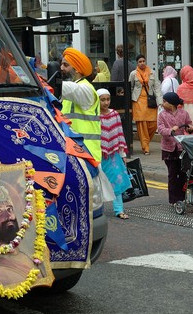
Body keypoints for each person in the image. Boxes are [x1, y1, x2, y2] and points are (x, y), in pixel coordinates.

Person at [60, 47, 101, 161]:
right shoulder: (72, 91)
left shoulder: (85, 89)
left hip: (87, 154)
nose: (61, 68)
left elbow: (62, 87)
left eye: (65, 65)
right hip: (75, 152)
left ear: (77, 69)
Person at [97, 88, 132, 219]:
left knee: (116, 181)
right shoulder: (93, 116)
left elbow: (119, 134)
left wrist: (123, 155)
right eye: (102, 100)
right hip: (98, 155)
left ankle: (119, 210)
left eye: (108, 99)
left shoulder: (115, 115)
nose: (106, 102)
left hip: (113, 155)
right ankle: (98, 210)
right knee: (99, 183)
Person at [157, 92, 193, 205]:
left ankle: (182, 198)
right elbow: (160, 129)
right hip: (168, 149)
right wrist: (170, 130)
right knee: (173, 175)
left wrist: (190, 128)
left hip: (181, 148)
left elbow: (189, 124)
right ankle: (174, 200)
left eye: (165, 101)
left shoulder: (184, 113)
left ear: (172, 104)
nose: (163, 103)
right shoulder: (162, 115)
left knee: (183, 174)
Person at [129, 54, 162, 155]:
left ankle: (146, 142)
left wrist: (160, 101)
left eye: (143, 61)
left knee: (153, 124)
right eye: (140, 61)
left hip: (150, 101)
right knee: (142, 125)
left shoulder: (152, 73)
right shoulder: (133, 74)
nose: (142, 63)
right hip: (138, 101)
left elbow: (157, 87)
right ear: (137, 63)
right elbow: (130, 87)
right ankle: (145, 147)